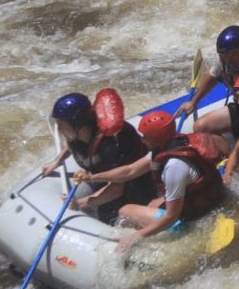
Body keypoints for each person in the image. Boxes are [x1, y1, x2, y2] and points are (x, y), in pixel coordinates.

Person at [76, 111, 227, 254]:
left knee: (125, 211)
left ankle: (160, 244)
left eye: (145, 136)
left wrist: (136, 236)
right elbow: (130, 171)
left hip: (192, 219)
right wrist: (92, 178)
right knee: (152, 204)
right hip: (208, 201)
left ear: (155, 138)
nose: (142, 139)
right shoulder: (172, 144)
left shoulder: (173, 167)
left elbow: (171, 217)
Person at [43, 90, 156, 224]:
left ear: (78, 124)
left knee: (112, 219)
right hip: (104, 177)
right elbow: (71, 143)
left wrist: (80, 204)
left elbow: (116, 189)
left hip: (133, 184)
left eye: (62, 125)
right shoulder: (76, 135)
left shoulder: (112, 144)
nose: (59, 129)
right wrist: (57, 162)